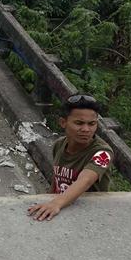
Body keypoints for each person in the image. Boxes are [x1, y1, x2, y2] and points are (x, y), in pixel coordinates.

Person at [27, 94, 113, 222]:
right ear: (63, 122)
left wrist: (56, 203)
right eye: (79, 123)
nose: (86, 129)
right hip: (61, 209)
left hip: (89, 215)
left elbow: (86, 180)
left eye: (92, 124)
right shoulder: (59, 145)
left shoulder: (103, 153)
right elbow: (56, 181)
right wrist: (51, 200)